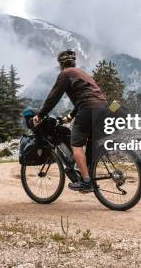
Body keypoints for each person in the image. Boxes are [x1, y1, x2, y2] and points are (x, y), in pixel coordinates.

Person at [32, 50, 108, 193]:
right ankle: (91, 177)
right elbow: (86, 97)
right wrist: (70, 117)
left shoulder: (65, 74)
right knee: (91, 145)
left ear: (61, 64)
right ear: (74, 62)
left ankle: (86, 182)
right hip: (103, 108)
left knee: (76, 145)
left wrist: (41, 115)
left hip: (88, 109)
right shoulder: (82, 73)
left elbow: (53, 97)